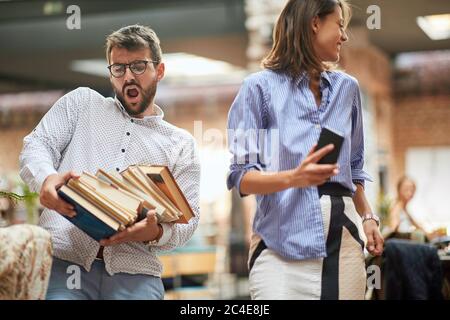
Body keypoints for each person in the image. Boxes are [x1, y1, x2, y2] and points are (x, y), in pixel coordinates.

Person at [19, 25, 200, 300]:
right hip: (64, 262)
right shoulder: (81, 104)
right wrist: (46, 179)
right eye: (119, 68)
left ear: (159, 71)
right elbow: (37, 144)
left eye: (139, 66)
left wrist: (156, 232)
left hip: (136, 273)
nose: (128, 76)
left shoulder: (180, 144)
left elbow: (190, 219)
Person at [226, 0, 383, 300]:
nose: (344, 35)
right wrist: (295, 177)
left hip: (342, 249)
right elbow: (242, 177)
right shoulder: (258, 89)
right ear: (314, 23)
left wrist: (368, 218)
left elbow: (355, 168)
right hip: (278, 249)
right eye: (339, 25)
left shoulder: (347, 89)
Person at [387, 176, 428, 240]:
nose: (409, 193)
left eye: (412, 190)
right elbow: (393, 229)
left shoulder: (405, 209)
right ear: (399, 190)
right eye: (406, 189)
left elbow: (418, 226)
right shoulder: (397, 208)